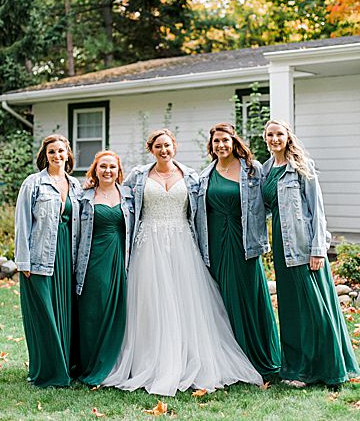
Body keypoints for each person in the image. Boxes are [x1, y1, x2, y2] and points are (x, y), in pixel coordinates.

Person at [101, 129, 261, 396]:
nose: (164, 151)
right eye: (158, 147)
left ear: (175, 147)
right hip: (148, 244)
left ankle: (188, 357)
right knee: (151, 303)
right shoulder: (138, 176)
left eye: (168, 145)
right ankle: (149, 359)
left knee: (184, 302)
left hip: (182, 243)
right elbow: (116, 194)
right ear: (151, 149)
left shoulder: (193, 176)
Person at [262, 119, 359, 388]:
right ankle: (297, 370)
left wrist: (319, 249)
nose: (274, 139)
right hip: (283, 248)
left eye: (279, 134)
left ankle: (328, 368)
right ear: (265, 138)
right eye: (270, 135)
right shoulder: (266, 170)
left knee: (315, 309)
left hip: (305, 247)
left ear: (287, 136)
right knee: (292, 312)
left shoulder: (302, 167)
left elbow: (318, 212)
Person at [197, 122, 279, 377]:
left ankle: (258, 356)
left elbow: (267, 200)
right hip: (215, 243)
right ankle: (229, 359)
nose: (221, 145)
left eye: (225, 140)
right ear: (211, 146)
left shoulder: (253, 170)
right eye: (216, 141)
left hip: (245, 243)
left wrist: (255, 223)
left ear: (234, 142)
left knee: (249, 296)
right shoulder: (204, 175)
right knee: (221, 298)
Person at [15, 134, 80, 387]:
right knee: (44, 314)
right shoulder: (33, 184)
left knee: (65, 312)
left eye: (61, 151)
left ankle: (65, 365)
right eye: (52, 152)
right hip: (40, 256)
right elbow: (22, 223)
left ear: (68, 154)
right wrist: (23, 262)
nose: (57, 156)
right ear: (45, 155)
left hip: (67, 255)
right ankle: (47, 371)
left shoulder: (75, 185)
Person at [71, 150, 132, 386]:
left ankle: (113, 364)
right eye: (102, 166)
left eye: (112, 167)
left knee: (117, 310)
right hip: (93, 259)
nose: (107, 171)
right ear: (95, 169)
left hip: (120, 258)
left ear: (118, 171)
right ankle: (89, 364)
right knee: (92, 311)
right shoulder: (84, 196)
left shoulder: (129, 195)